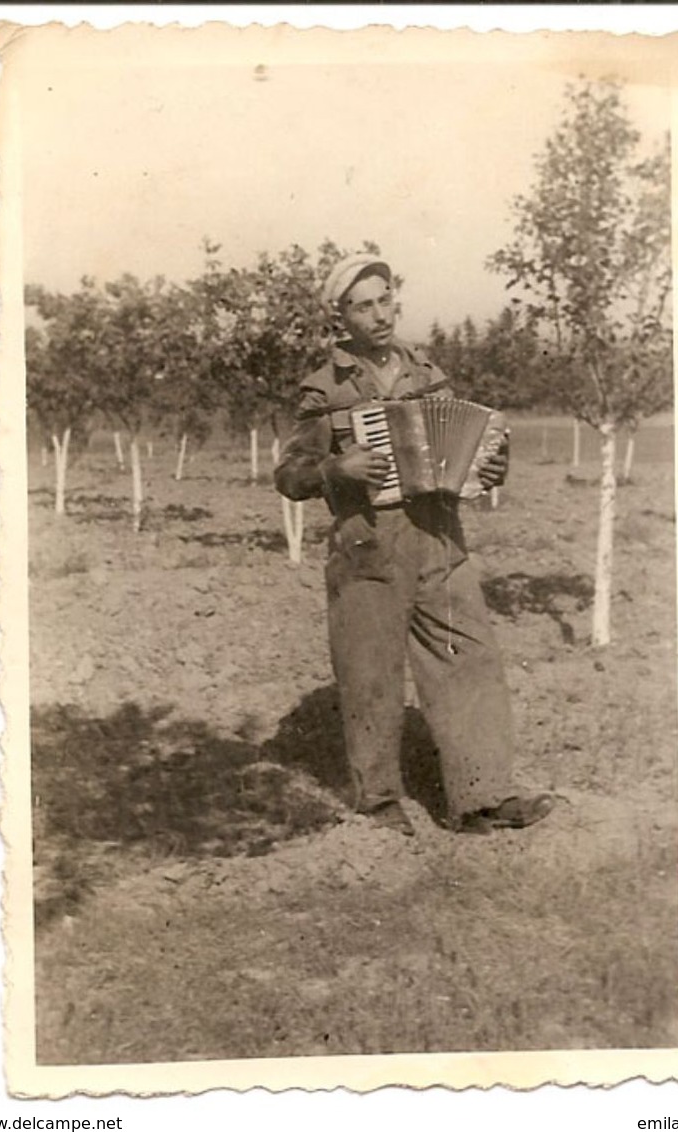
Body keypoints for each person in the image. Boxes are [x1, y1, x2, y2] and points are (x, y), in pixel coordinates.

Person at [274, 253, 553, 837]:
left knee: (468, 660)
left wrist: (491, 464)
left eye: (385, 299)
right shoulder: (323, 388)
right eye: (363, 305)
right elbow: (290, 475)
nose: (379, 314)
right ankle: (378, 803)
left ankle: (483, 799)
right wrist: (337, 467)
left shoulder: (428, 373)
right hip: (368, 547)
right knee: (370, 674)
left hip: (439, 540)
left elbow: (469, 452)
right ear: (341, 316)